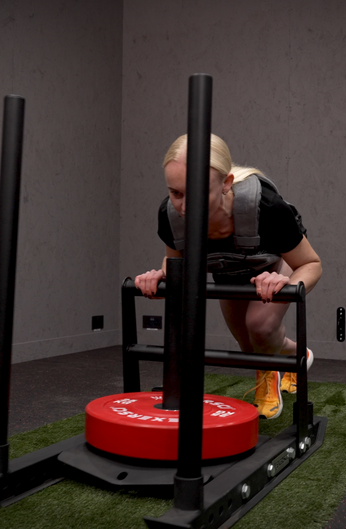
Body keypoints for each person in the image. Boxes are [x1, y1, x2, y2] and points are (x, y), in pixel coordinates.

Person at [135, 134, 322, 419]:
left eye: (197, 194)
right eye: (176, 193)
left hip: (273, 267)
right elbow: (176, 264)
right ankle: (297, 355)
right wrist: (160, 278)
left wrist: (287, 284)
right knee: (249, 347)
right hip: (229, 273)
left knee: (259, 326)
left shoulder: (267, 208)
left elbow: (311, 264)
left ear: (226, 183)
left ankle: (268, 373)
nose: (185, 207)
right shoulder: (171, 216)